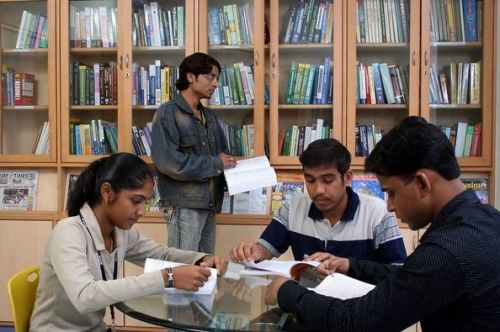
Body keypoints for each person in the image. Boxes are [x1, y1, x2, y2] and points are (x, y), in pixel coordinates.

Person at [265, 116, 500, 331]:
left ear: (422, 183)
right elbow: (409, 277)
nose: (389, 205)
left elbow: (357, 322)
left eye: (392, 193)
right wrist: (350, 265)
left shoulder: (446, 250)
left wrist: (285, 290)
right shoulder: (487, 219)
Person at [29, 153, 227, 332]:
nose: (141, 211)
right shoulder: (69, 232)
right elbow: (85, 297)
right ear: (107, 192)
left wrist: (200, 258)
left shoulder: (120, 232)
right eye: (135, 200)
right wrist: (167, 277)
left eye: (145, 202)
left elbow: (161, 254)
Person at [230, 138, 406, 265]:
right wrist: (254, 251)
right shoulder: (293, 207)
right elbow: (266, 249)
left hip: (360, 309)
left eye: (328, 180)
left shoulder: (377, 213)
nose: (318, 190)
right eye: (311, 180)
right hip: (309, 306)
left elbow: (397, 271)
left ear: (347, 178)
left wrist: (349, 266)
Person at [151, 52, 236, 255]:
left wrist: (235, 168)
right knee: (183, 270)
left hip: (209, 205)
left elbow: (223, 158)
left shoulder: (211, 117)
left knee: (205, 272)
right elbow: (168, 162)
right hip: (183, 207)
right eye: (210, 77)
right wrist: (216, 163)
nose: (215, 83)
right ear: (190, 77)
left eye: (217, 78)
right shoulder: (168, 113)